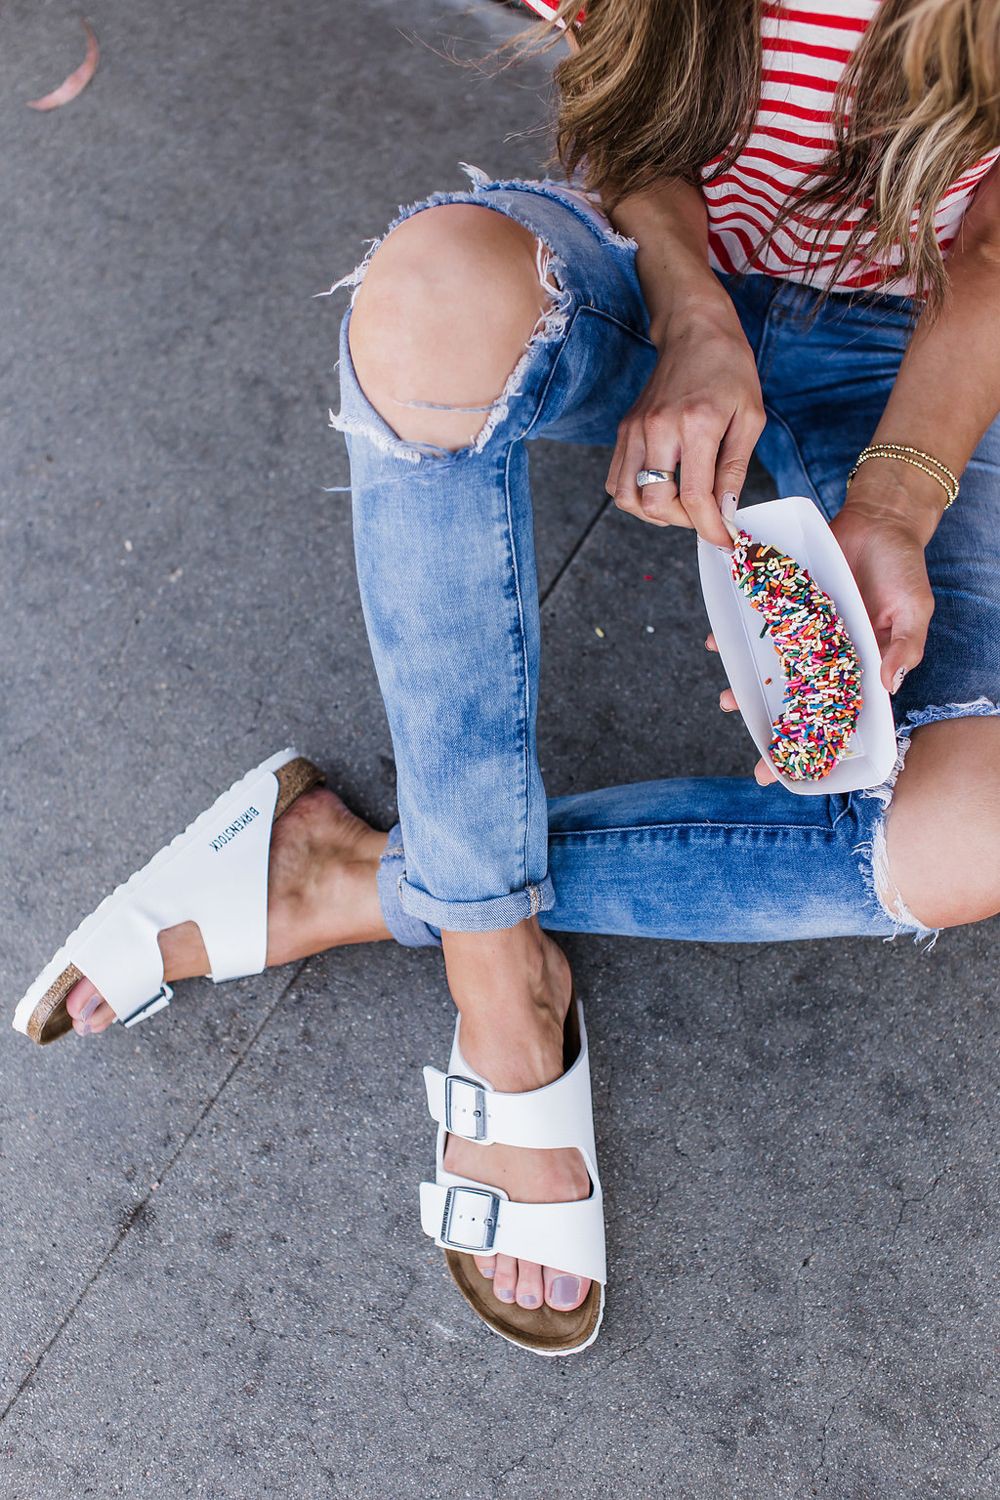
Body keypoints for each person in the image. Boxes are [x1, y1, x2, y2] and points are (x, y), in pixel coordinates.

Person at [22, 0, 1000, 1355]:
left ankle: (353, 882)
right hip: (667, 272)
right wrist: (693, 306)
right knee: (431, 297)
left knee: (973, 833)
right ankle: (499, 988)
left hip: (927, 336)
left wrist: (897, 500)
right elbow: (631, 105)